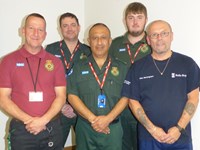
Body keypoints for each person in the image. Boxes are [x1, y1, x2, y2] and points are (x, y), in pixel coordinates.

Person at [122, 20, 200, 150]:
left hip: (180, 136)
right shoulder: (137, 67)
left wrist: (179, 128)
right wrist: (152, 130)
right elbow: (132, 101)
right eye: (154, 35)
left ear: (172, 36)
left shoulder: (188, 64)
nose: (159, 38)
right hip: (148, 137)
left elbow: (194, 98)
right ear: (148, 39)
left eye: (164, 33)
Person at [0, 13, 66, 150]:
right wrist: (30, 121)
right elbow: (3, 98)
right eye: (31, 28)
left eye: (40, 29)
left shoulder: (55, 62)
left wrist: (43, 120)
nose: (36, 33)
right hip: (22, 130)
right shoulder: (8, 61)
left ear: (45, 34)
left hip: (51, 128)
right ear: (23, 31)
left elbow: (61, 96)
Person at [67, 23, 129, 150]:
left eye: (103, 37)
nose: (99, 42)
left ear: (110, 41)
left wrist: (107, 119)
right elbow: (72, 95)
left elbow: (126, 96)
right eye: (95, 38)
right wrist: (94, 119)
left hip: (112, 128)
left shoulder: (122, 67)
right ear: (89, 41)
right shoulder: (78, 66)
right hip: (85, 128)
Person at [109, 2, 151, 150]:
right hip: (121, 109)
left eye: (139, 17)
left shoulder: (153, 43)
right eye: (131, 17)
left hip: (146, 108)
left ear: (146, 19)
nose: (135, 22)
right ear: (124, 20)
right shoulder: (114, 45)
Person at [45, 12, 91, 147]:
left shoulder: (88, 51)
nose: (69, 28)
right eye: (65, 26)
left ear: (78, 27)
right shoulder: (51, 49)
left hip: (82, 109)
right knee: (54, 145)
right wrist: (62, 105)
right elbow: (46, 81)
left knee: (85, 146)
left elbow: (91, 82)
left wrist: (76, 106)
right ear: (60, 29)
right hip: (59, 110)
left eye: (73, 25)